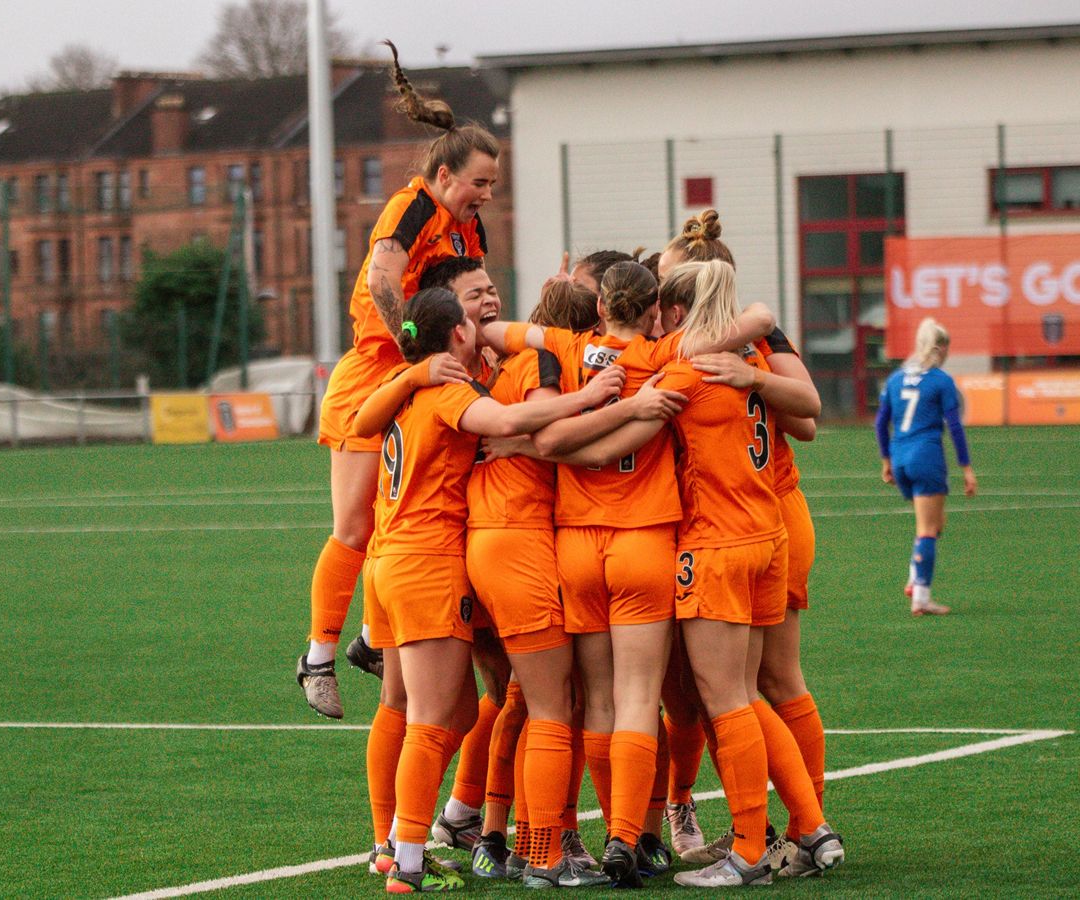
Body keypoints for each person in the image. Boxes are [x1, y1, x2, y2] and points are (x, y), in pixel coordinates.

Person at [549, 259, 841, 888]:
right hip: (769, 535)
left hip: (712, 543)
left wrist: (540, 444)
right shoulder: (750, 358)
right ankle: (809, 827)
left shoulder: (677, 369)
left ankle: (746, 849)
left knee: (723, 700)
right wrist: (752, 373)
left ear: (673, 312)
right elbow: (811, 410)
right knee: (759, 688)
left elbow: (604, 438)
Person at [351, 287, 625, 892]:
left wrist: (410, 374)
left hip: (390, 561)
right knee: (436, 717)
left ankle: (396, 845)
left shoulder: (403, 388)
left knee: (433, 712)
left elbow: (359, 420)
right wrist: (588, 395)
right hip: (432, 560)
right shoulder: (447, 390)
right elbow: (505, 421)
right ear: (455, 336)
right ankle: (413, 865)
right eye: (471, 321)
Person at [298, 41, 502, 719]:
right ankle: (318, 655)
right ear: (445, 175)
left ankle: (368, 639)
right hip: (381, 375)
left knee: (420, 519)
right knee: (356, 525)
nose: (486, 196)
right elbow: (384, 282)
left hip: (433, 376)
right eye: (479, 183)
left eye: (493, 187)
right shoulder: (412, 209)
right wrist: (416, 354)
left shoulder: (469, 231)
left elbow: (473, 297)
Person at [875, 317, 977, 616]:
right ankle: (921, 596)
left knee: (935, 523)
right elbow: (954, 426)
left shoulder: (895, 379)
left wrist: (886, 460)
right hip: (926, 457)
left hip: (901, 456)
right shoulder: (941, 380)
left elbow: (881, 422)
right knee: (928, 530)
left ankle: (914, 575)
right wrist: (967, 468)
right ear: (940, 348)